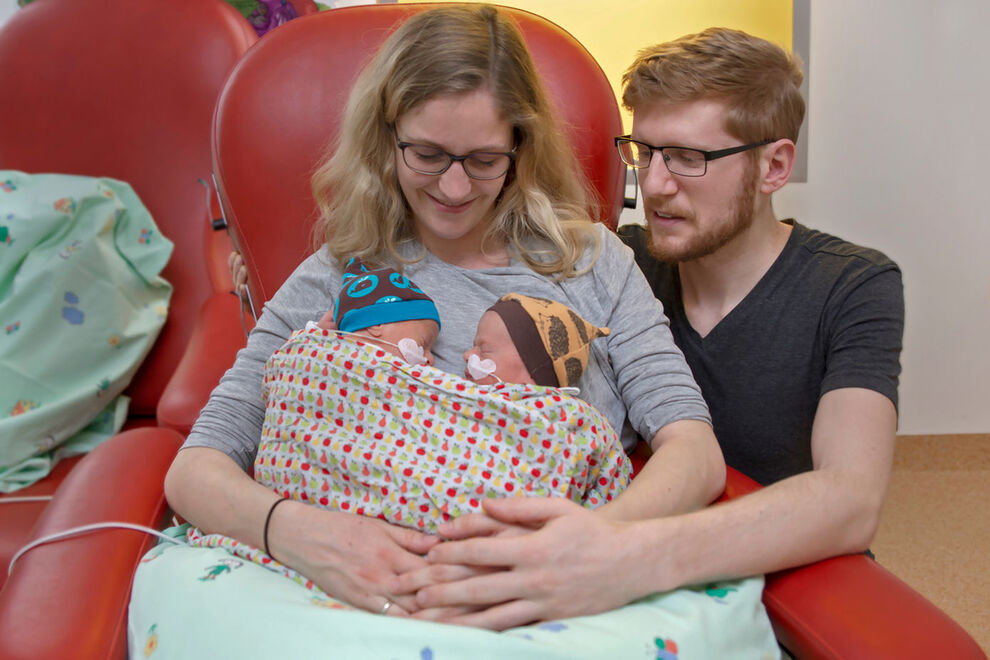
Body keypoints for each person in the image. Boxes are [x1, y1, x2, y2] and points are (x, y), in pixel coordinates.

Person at [147, 6, 733, 647]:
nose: (454, 188)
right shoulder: (343, 272)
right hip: (340, 588)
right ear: (386, 138)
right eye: (427, 154)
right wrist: (300, 533)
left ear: (520, 148)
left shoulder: (596, 264)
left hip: (546, 600)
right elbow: (195, 470)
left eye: (484, 160)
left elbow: (694, 454)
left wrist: (595, 544)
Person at [395, 26, 904, 630]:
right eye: (645, 152)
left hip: (776, 583)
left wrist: (620, 552)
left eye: (689, 159)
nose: (655, 185)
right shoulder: (615, 263)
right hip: (632, 594)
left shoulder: (853, 286)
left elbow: (850, 497)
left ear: (775, 166)